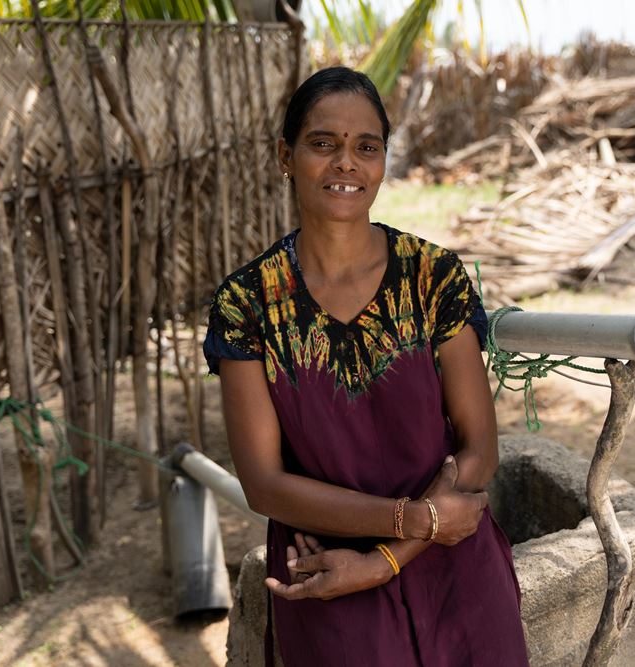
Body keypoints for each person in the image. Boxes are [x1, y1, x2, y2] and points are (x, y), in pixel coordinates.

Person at [204, 66, 529, 666]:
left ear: (383, 160)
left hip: (457, 577)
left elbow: (479, 448)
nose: (345, 164)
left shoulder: (433, 277)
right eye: (323, 143)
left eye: (366, 147)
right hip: (327, 584)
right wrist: (419, 519)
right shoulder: (247, 303)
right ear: (286, 155)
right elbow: (264, 484)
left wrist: (387, 557)